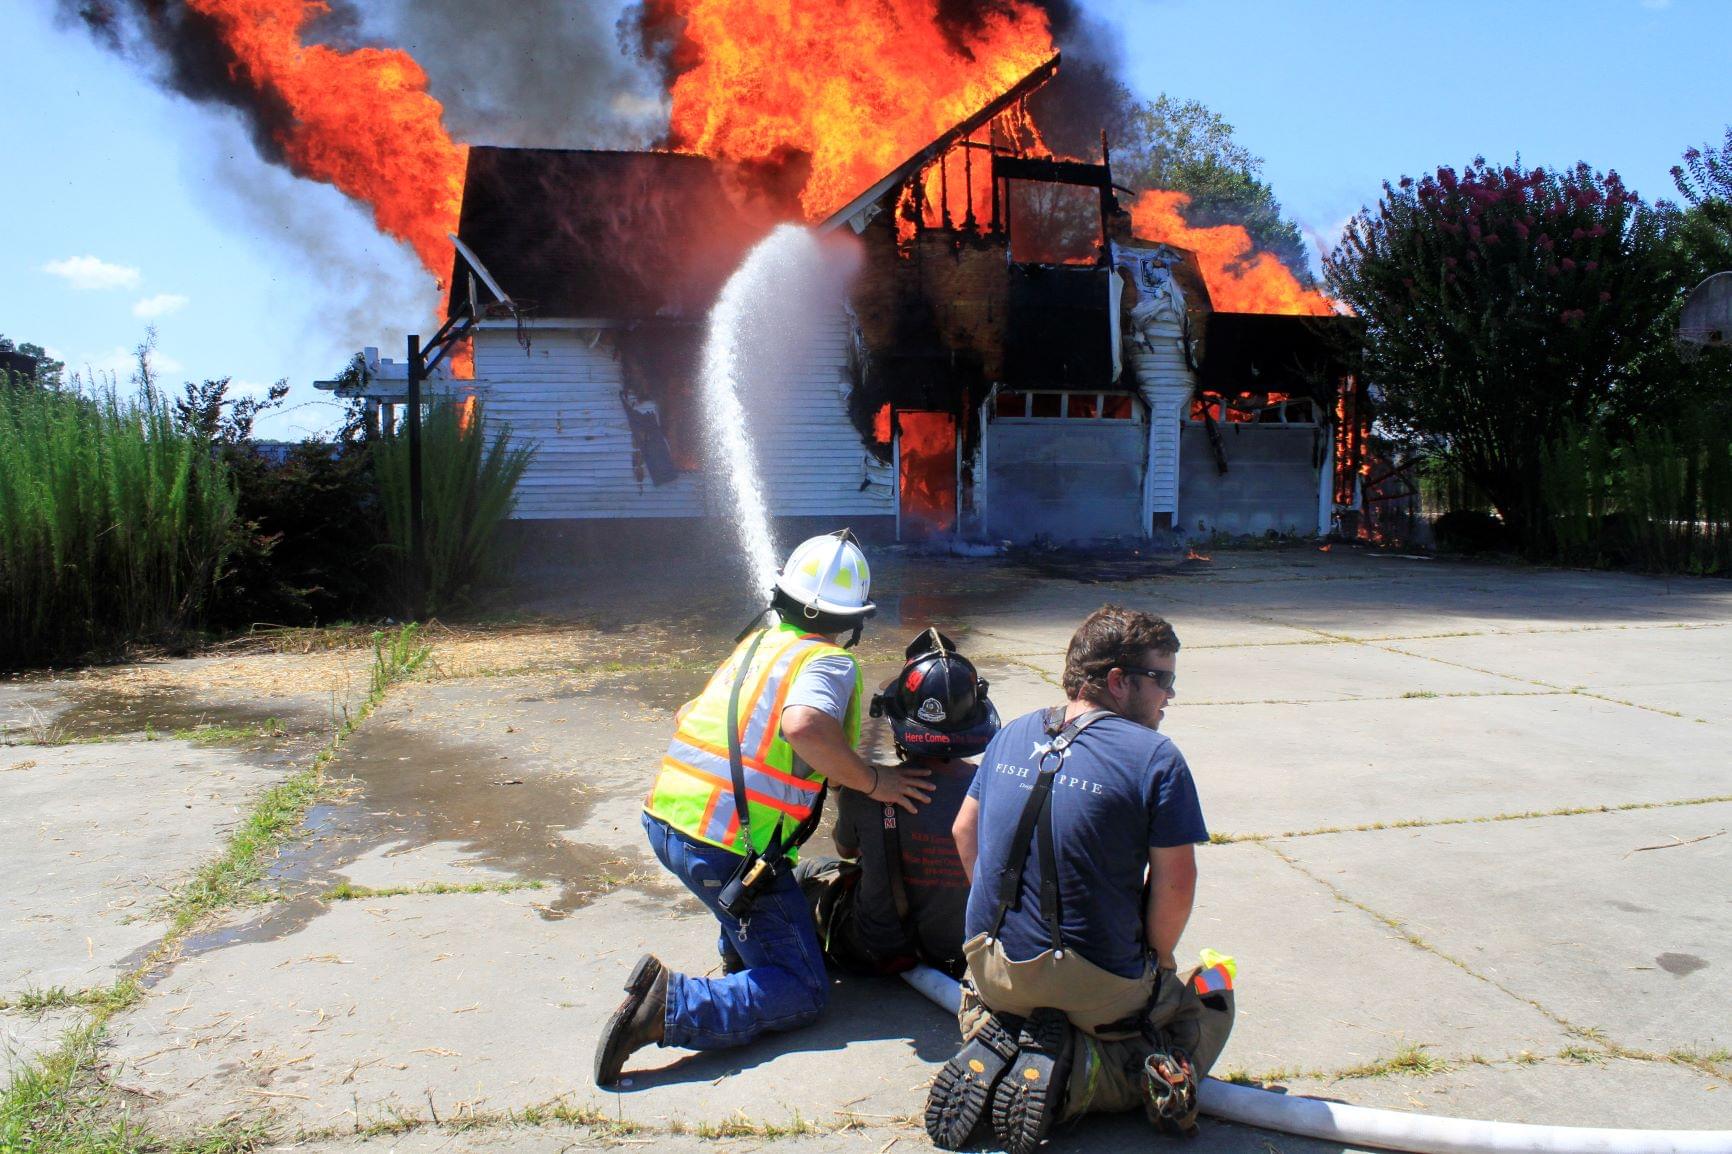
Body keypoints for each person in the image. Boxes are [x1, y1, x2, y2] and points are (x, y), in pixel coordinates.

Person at [593, 530, 933, 1087]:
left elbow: (688, 712)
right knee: (802, 987)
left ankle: (741, 957)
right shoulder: (828, 661)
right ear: (854, 619)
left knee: (767, 897)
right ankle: (670, 1007)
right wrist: (876, 782)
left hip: (668, 821)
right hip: (723, 845)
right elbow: (804, 726)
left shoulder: (755, 646)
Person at [925, 604, 1230, 1153]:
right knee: (1211, 1000)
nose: (1170, 696)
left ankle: (1003, 1034)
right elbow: (1177, 885)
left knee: (1028, 995)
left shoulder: (1012, 732)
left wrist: (998, 919)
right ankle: (1076, 1080)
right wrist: (1158, 965)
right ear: (1118, 681)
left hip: (992, 967)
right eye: (1162, 680)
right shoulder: (1157, 758)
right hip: (1095, 987)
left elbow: (962, 831)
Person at [796, 628, 1001, 978]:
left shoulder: (867, 792)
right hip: (963, 948)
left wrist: (841, 787)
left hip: (877, 948)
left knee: (807, 871)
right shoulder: (997, 791)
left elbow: (847, 850)